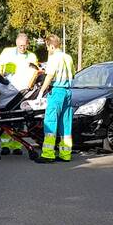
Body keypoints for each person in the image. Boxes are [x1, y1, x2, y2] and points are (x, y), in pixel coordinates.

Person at [0, 33, 40, 154]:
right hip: (7, 90)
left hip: (23, 93)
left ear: (28, 44)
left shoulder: (31, 56)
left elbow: (35, 72)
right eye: (20, 45)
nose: (22, 48)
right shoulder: (7, 52)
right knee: (5, 119)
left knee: (19, 119)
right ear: (16, 43)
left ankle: (17, 146)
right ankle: (5, 145)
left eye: (25, 46)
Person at [37, 34, 75, 163]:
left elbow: (49, 76)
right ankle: (65, 154)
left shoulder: (54, 58)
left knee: (51, 122)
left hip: (57, 91)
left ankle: (48, 154)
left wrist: (41, 92)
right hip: (68, 92)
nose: (48, 50)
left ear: (51, 45)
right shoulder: (68, 57)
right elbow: (72, 75)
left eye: (48, 47)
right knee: (66, 123)